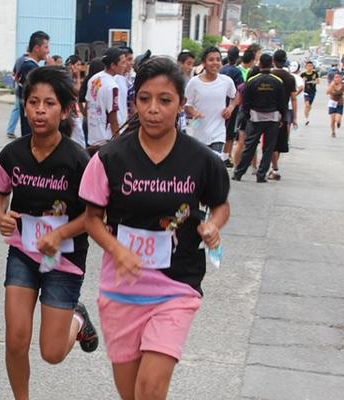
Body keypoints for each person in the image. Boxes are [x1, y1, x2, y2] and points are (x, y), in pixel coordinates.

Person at [79, 56, 230, 400]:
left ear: (180, 103)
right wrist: (118, 249)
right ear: (134, 101)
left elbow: (220, 204)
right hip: (121, 291)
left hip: (177, 286)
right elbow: (91, 218)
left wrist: (212, 225)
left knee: (150, 389)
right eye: (144, 99)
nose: (153, 109)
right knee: (131, 393)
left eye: (165, 100)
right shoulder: (110, 158)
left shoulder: (201, 159)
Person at [0, 66, 98, 400]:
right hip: (23, 252)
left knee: (51, 353)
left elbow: (95, 216)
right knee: (16, 339)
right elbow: (0, 192)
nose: (39, 110)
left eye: (49, 103)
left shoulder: (78, 161)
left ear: (64, 110)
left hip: (64, 259)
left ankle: (77, 318)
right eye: (33, 102)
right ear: (24, 106)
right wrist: (0, 216)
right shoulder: (12, 155)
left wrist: (61, 232)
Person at [232, 54, 287, 183]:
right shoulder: (277, 81)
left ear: (260, 64)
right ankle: (261, 175)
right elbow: (282, 102)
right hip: (273, 118)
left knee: (249, 146)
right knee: (268, 148)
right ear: (271, 63)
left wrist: (247, 115)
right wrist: (282, 118)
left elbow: (245, 102)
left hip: (255, 118)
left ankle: (239, 173)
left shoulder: (252, 81)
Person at [185, 46, 238, 159]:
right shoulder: (194, 83)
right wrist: (194, 113)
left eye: (218, 59)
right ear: (204, 63)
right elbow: (187, 105)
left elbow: (235, 96)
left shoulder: (226, 81)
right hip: (199, 133)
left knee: (214, 163)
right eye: (211, 59)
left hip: (218, 133)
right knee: (202, 166)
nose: (215, 63)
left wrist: (230, 108)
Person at [85, 47, 127, 147]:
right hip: (106, 140)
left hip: (93, 137)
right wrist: (118, 142)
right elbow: (113, 118)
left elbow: (87, 105)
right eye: (122, 63)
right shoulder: (112, 86)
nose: (125, 66)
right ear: (113, 65)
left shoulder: (93, 79)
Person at [269, 49, 296, 181]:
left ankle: (270, 167)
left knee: (268, 142)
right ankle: (274, 167)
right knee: (278, 143)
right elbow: (293, 98)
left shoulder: (269, 75)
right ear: (285, 61)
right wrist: (294, 117)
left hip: (266, 112)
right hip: (283, 114)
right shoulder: (290, 78)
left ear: (273, 60)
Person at [16, 31, 50, 137]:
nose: (48, 51)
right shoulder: (30, 67)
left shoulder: (29, 65)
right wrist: (50, 70)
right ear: (36, 48)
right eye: (46, 47)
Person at [219, 46, 244, 168]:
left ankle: (219, 154)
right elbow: (240, 90)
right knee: (229, 132)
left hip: (219, 103)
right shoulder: (237, 72)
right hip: (231, 105)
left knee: (219, 129)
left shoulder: (221, 69)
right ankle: (225, 156)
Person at [65, 54, 86, 148]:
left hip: (72, 112)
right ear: (71, 65)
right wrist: (77, 76)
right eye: (77, 64)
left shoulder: (69, 77)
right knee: (79, 140)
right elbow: (77, 91)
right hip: (70, 114)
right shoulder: (67, 78)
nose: (79, 67)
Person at [5, 52, 28, 139]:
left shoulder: (19, 59)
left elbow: (14, 73)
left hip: (18, 86)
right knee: (18, 109)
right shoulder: (26, 62)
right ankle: (10, 131)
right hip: (22, 88)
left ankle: (10, 130)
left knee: (16, 108)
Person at [326, 71, 344, 138]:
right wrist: (331, 85)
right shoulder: (332, 84)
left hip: (340, 104)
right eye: (336, 77)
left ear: (341, 78)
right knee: (332, 120)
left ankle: (339, 122)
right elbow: (327, 92)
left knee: (337, 119)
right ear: (334, 78)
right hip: (332, 103)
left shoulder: (343, 86)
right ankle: (333, 132)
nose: (337, 79)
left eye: (339, 77)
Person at [301, 61, 319, 126]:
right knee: (307, 105)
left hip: (313, 92)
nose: (309, 67)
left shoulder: (315, 74)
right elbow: (299, 82)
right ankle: (306, 119)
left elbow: (318, 82)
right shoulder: (303, 74)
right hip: (305, 92)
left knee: (309, 106)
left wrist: (312, 82)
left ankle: (307, 114)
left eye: (311, 66)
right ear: (306, 66)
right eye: (308, 66)